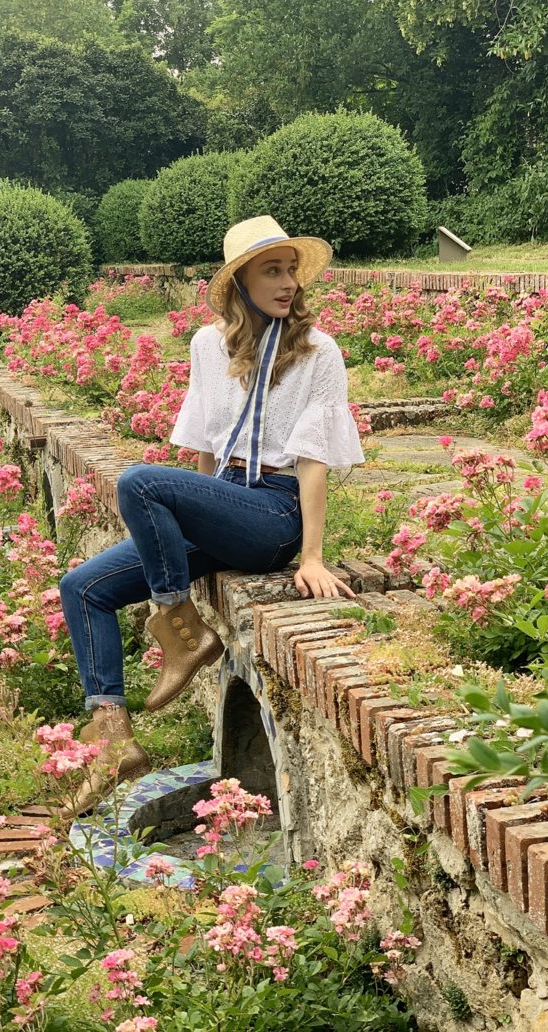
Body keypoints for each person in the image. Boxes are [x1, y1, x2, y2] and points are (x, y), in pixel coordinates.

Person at [58, 215, 365, 813]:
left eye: (290, 271)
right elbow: (203, 440)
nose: (286, 284)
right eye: (270, 271)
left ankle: (179, 624)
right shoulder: (208, 344)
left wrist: (311, 555)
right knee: (82, 587)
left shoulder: (318, 352)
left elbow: (314, 459)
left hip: (274, 513)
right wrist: (198, 513)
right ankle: (113, 739)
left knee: (139, 481)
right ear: (238, 285)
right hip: (226, 499)